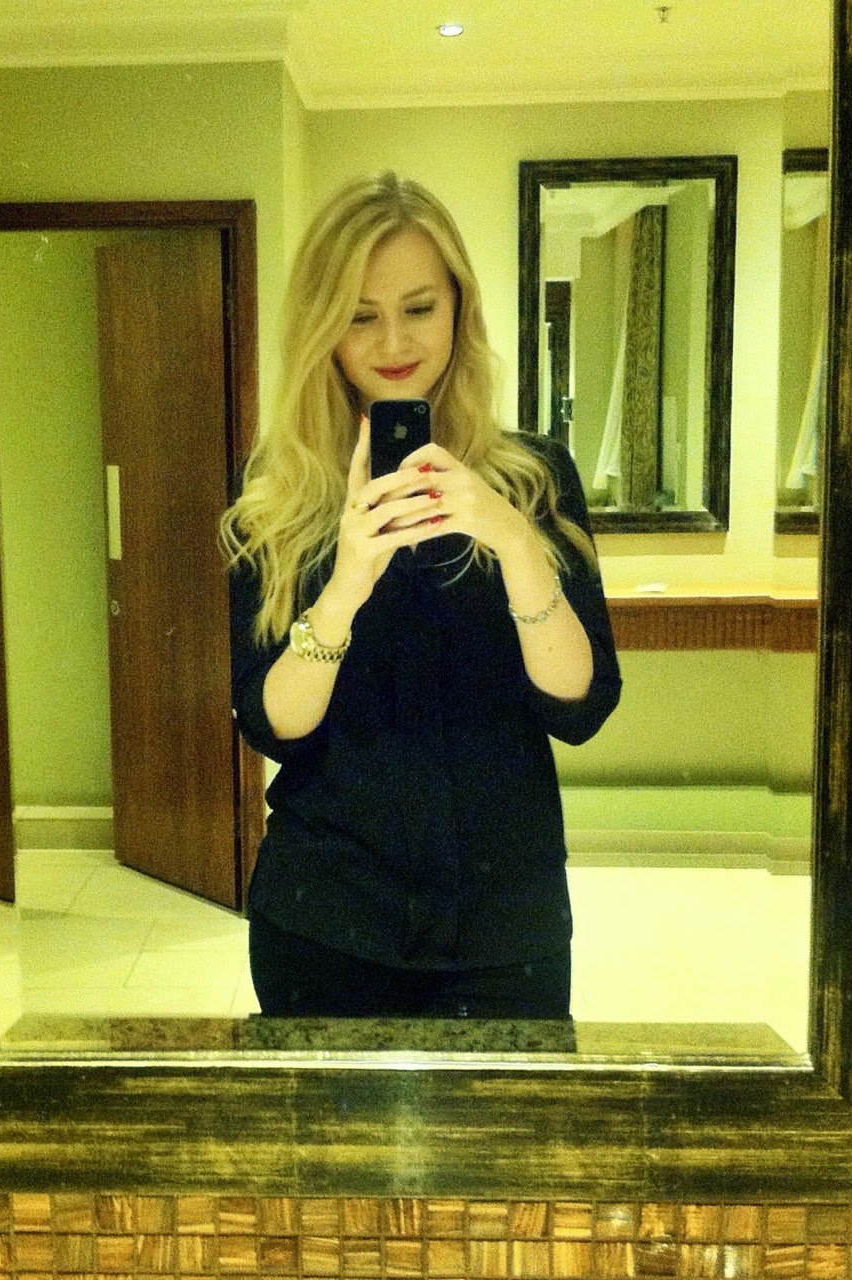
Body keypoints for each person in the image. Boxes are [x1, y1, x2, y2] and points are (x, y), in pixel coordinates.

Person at [221, 172, 620, 1019]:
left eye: (419, 307)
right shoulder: (277, 492)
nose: (393, 340)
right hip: (325, 917)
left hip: (505, 923)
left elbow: (580, 706)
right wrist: (346, 584)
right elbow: (270, 724)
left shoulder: (536, 477)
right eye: (359, 315)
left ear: (459, 309)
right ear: (322, 328)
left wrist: (514, 541)